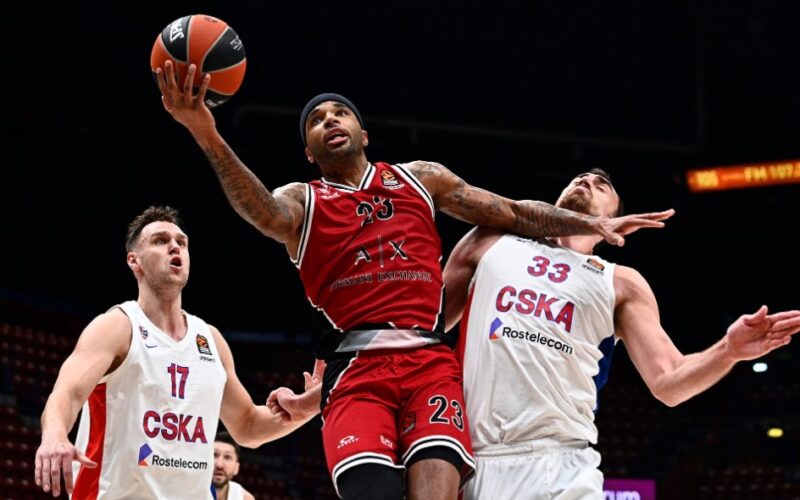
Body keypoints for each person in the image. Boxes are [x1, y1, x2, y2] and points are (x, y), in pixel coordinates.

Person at [155, 61, 673, 500]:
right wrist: (205, 131)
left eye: (340, 112)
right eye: (316, 119)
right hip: (356, 368)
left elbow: (514, 212)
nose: (329, 119)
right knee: (373, 490)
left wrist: (588, 223)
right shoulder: (302, 200)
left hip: (430, 363)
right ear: (310, 151)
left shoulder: (420, 178)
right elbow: (262, 212)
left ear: (364, 134)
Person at [442, 169, 800, 499]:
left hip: (561, 466)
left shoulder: (619, 282)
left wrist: (728, 350)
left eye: (602, 186)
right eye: (579, 178)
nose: (586, 181)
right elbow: (426, 325)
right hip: (472, 461)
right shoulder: (491, 241)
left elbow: (669, 382)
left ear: (612, 220)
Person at [33, 206, 321, 499]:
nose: (174, 246)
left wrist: (308, 406)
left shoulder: (210, 340)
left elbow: (247, 426)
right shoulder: (118, 327)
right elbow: (66, 394)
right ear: (134, 261)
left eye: (181, 242)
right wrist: (55, 434)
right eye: (160, 240)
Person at [213, 431, 255, 500]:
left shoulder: (244, 498)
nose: (219, 465)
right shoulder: (193, 490)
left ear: (236, 468)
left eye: (227, 457)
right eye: (215, 455)